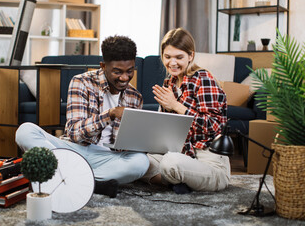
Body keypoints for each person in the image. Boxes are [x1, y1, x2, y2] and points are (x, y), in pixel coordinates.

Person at [16, 35, 149, 198]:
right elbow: (74, 134)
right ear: (103, 66)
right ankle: (95, 183)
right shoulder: (81, 82)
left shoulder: (135, 97)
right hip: (75, 150)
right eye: (117, 72)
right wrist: (110, 114)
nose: (124, 78)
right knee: (25, 131)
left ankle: (71, 176)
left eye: (130, 71)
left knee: (141, 162)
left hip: (108, 157)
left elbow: (130, 144)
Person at [141, 28, 230, 194]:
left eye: (179, 57)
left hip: (209, 162)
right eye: (167, 57)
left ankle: (172, 179)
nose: (172, 63)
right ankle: (177, 182)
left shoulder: (203, 78)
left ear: (191, 56)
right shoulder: (170, 82)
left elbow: (214, 127)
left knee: (170, 163)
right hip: (183, 155)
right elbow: (168, 132)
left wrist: (176, 106)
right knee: (136, 161)